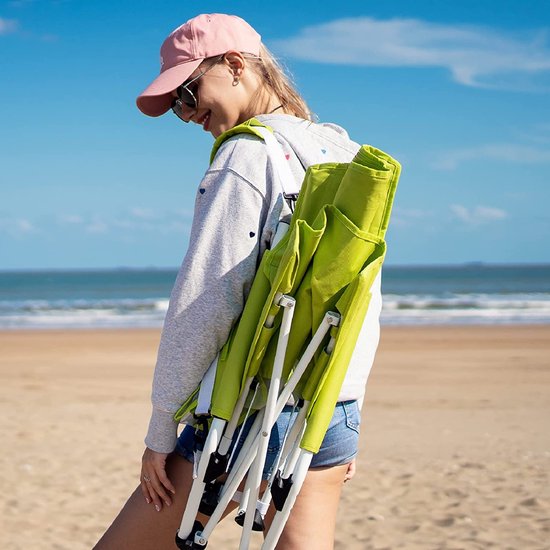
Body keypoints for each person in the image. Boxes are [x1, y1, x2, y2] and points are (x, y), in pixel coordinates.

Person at [95, 13, 382, 550]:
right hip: (328, 404)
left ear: (233, 65)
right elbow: (362, 298)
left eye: (187, 93)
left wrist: (160, 432)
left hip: (248, 409)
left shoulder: (246, 155)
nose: (186, 116)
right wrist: (346, 409)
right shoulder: (342, 151)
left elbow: (204, 304)